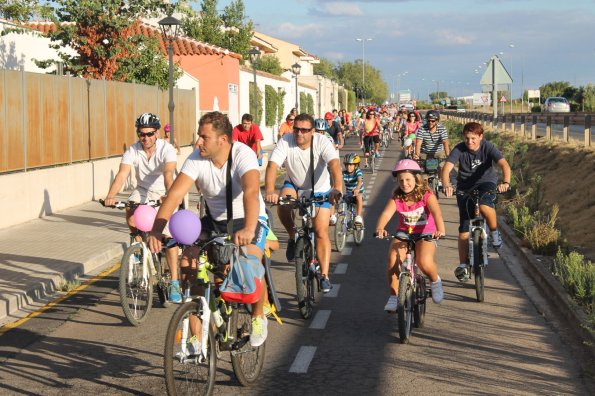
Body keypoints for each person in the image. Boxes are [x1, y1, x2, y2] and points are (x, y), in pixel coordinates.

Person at [148, 111, 269, 347]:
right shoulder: (196, 158)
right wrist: (156, 230)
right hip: (213, 221)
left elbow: (252, 193)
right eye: (198, 136)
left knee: (250, 262)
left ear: (222, 140)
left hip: (248, 218)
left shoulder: (242, 154)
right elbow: (174, 195)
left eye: (204, 137)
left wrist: (249, 229)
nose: (198, 142)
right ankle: (196, 337)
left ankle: (257, 316)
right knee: (188, 263)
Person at [103, 113, 180, 302]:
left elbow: (169, 173)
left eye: (150, 134)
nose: (145, 138)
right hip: (143, 190)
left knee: (169, 238)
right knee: (129, 207)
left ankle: (176, 282)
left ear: (157, 133)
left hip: (164, 192)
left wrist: (170, 196)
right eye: (141, 134)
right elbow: (122, 174)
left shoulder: (166, 149)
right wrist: (111, 196)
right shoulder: (133, 150)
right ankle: (138, 244)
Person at [264, 113, 343, 293]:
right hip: (294, 185)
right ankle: (293, 236)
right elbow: (272, 166)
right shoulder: (286, 140)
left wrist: (337, 188)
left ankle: (324, 276)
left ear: (313, 131)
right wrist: (270, 191)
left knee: (321, 231)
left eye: (305, 130)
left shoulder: (322, 142)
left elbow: (334, 165)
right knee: (283, 205)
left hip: (321, 189)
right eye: (297, 129)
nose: (300, 133)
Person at [441, 122, 511, 282]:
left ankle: (494, 233)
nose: (470, 141)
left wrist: (506, 182)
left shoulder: (488, 147)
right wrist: (447, 185)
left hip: (486, 183)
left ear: (481, 137)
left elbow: (504, 165)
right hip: (464, 187)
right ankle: (464, 264)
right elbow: (446, 168)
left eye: (473, 138)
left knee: (486, 206)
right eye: (467, 138)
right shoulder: (459, 149)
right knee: (464, 229)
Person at [375, 159, 445, 311]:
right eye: (401, 180)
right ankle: (394, 296)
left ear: (416, 178)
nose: (404, 183)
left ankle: (435, 281)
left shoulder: (427, 194)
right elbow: (386, 214)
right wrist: (380, 227)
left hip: (426, 232)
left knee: (423, 261)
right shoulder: (397, 197)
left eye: (408, 179)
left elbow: (436, 213)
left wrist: (440, 229)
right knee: (392, 260)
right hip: (405, 233)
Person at [414, 110, 450, 181]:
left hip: (438, 151)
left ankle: (441, 181)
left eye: (433, 121)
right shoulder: (422, 129)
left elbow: (445, 142)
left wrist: (448, 155)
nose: (430, 123)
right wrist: (417, 155)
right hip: (424, 152)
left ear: (437, 121)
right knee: (420, 168)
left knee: (442, 166)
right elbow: (418, 143)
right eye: (428, 121)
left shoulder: (442, 129)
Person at [342, 153, 364, 226]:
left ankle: (358, 216)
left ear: (356, 165)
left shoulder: (357, 172)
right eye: (347, 165)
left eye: (351, 165)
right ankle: (342, 220)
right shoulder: (344, 173)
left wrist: (357, 188)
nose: (349, 167)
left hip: (358, 193)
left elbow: (360, 180)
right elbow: (338, 179)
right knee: (341, 205)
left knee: (359, 197)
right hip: (349, 194)